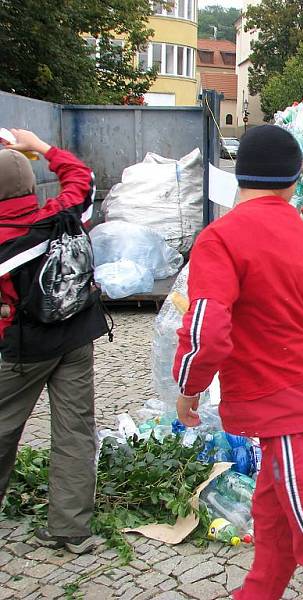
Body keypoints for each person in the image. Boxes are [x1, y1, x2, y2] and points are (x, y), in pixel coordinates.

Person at [173, 125, 303, 600]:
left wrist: (188, 385)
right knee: (275, 518)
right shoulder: (298, 231)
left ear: (240, 174)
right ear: (295, 180)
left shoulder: (221, 237)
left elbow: (206, 330)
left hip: (286, 405)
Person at [0, 129, 108, 554]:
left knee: (4, 429)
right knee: (75, 430)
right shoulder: (63, 214)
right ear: (31, 184)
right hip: (77, 335)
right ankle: (70, 527)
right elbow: (83, 178)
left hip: (24, 347)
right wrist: (43, 148)